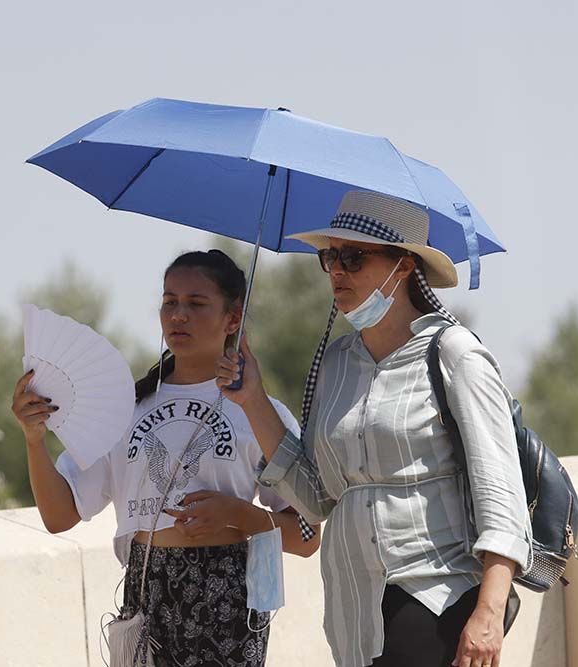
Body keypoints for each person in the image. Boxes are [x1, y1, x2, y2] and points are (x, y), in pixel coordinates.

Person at [216, 191, 531, 667]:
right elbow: (320, 500)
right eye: (329, 257)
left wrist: (488, 613)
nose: (337, 271)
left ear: (402, 266)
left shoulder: (454, 354)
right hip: (353, 615)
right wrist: (253, 400)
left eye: (354, 257)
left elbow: (501, 492)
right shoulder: (336, 364)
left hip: (437, 599)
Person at [11, 249, 319, 667]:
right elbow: (59, 516)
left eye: (196, 304)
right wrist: (34, 440)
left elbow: (307, 537)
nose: (178, 315)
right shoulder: (124, 409)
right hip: (143, 597)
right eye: (169, 301)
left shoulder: (261, 413)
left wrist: (238, 514)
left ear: (233, 319)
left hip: (228, 599)